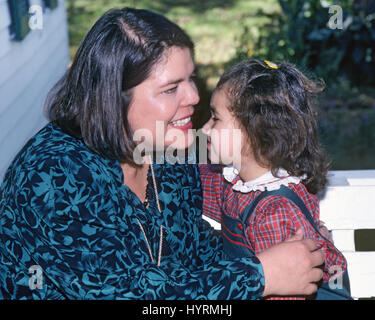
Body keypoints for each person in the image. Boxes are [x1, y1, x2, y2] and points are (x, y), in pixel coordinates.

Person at [0, 8, 324, 299]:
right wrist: (259, 275)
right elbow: (129, 294)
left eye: (191, 79)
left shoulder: (167, 151)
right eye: (171, 89)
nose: (195, 96)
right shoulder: (52, 176)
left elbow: (192, 250)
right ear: (113, 99)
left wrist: (279, 252)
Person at [200, 59, 348, 299]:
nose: (205, 129)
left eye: (215, 118)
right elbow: (197, 184)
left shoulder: (274, 215)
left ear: (255, 131)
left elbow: (287, 288)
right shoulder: (239, 183)